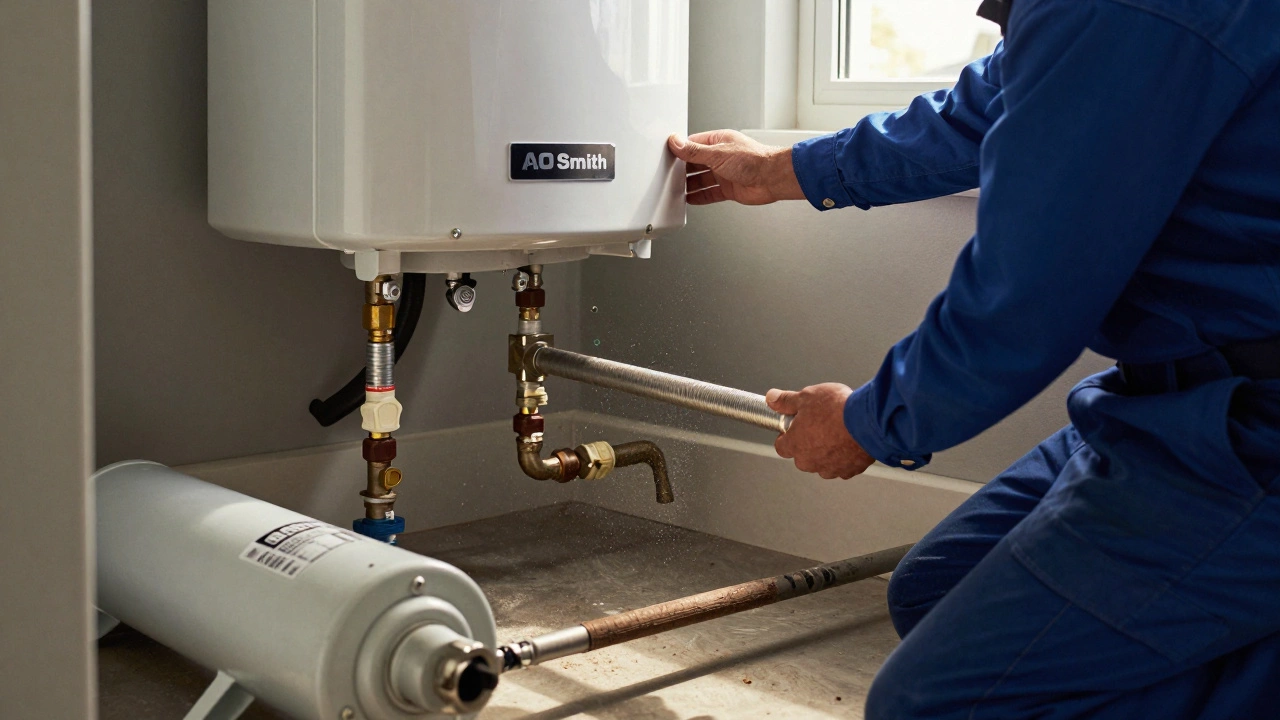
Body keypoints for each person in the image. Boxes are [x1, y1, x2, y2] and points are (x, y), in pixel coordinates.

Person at [667, 1, 1280, 717]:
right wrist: (786, 169)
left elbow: (1024, 301)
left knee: (932, 703)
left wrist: (867, 422)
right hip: (1172, 400)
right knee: (939, 584)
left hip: (1249, 429)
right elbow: (991, 104)